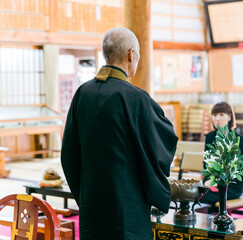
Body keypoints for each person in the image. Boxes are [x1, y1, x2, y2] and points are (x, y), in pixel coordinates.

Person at [61, 27, 178, 240]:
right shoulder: (135, 98)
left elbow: (68, 154)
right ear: (131, 54)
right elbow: (163, 142)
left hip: (91, 206)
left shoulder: (82, 94)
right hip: (126, 207)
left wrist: (83, 194)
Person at [201, 102, 243, 204]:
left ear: (230, 117)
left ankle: (215, 218)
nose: (217, 118)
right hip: (212, 184)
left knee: (203, 197)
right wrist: (207, 181)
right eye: (215, 115)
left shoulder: (238, 138)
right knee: (193, 193)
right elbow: (206, 163)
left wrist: (218, 182)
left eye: (221, 114)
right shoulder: (209, 137)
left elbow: (239, 166)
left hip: (231, 185)